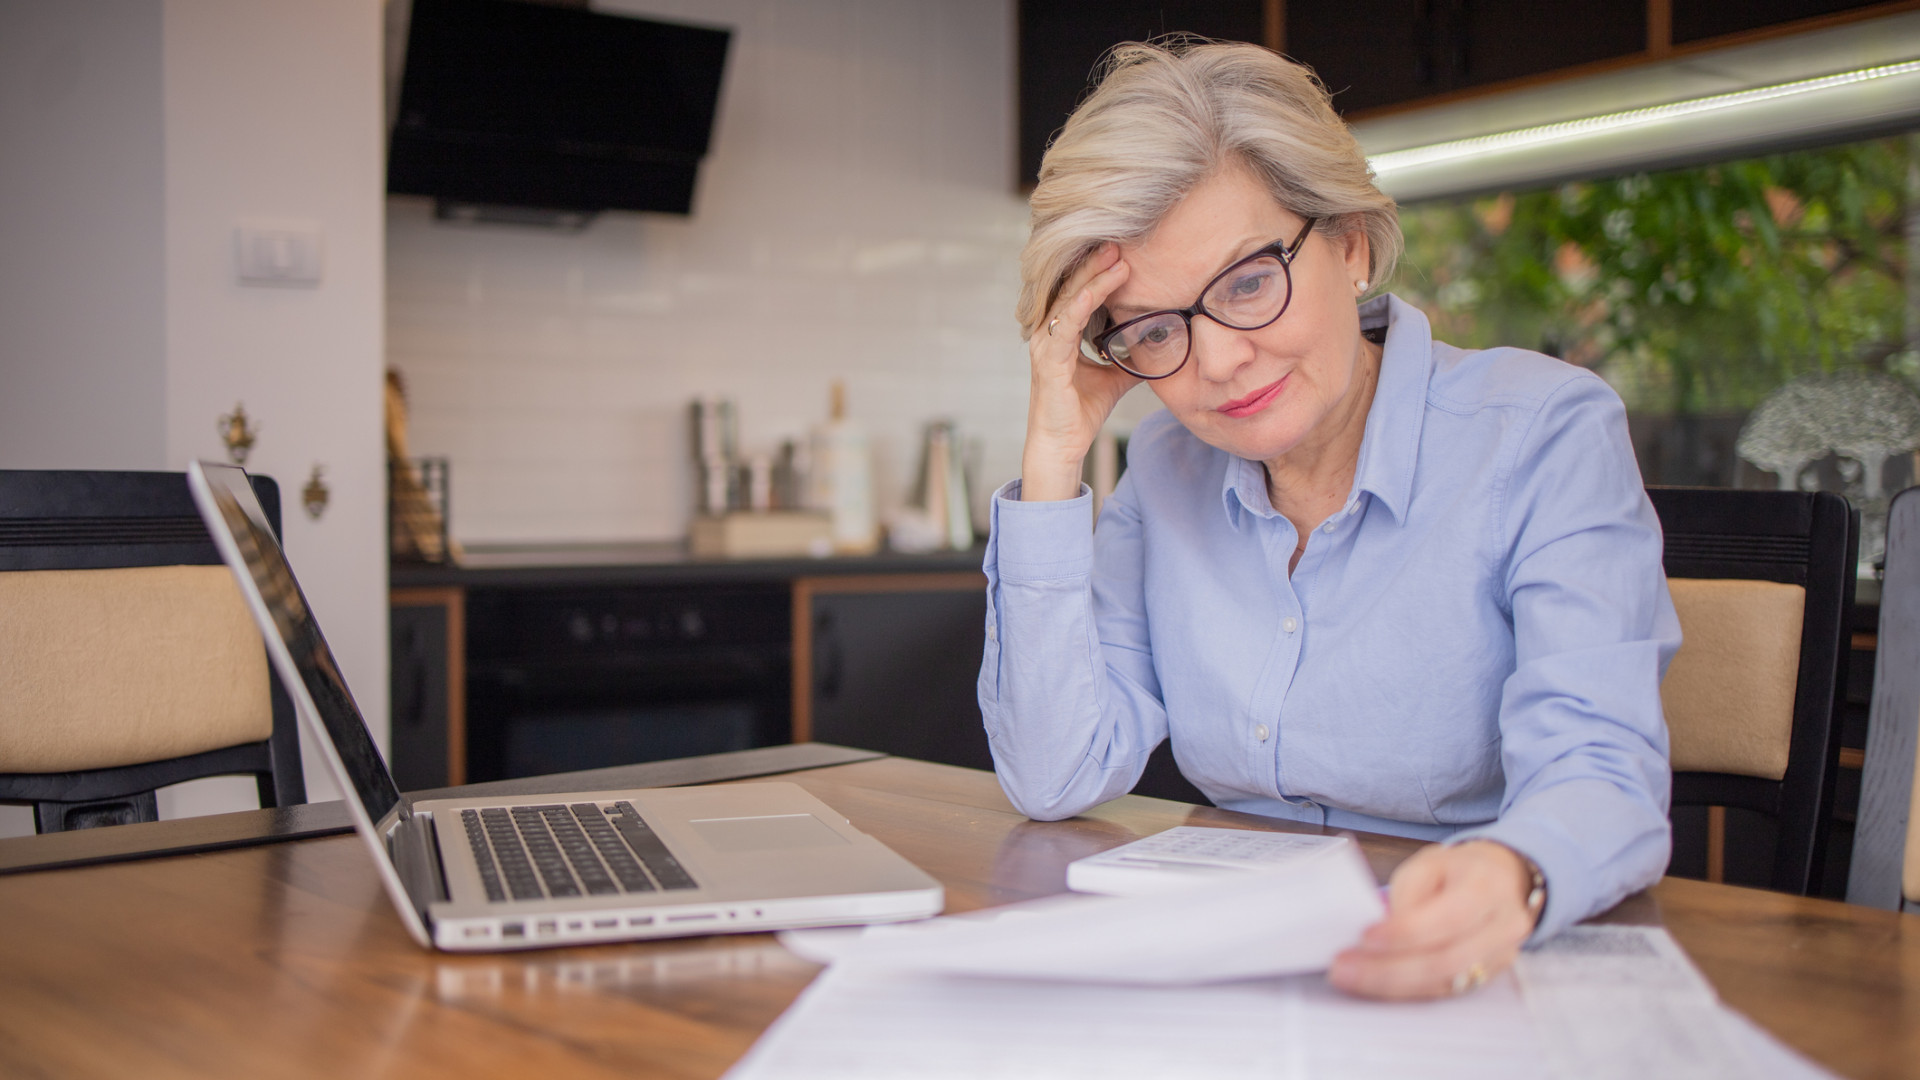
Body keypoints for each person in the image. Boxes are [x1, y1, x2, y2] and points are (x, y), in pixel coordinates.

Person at [979, 39, 1680, 1001]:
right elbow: (1054, 775)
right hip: (1232, 967)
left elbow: (1601, 766)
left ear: (1348, 244)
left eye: (1247, 282)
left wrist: (1511, 873)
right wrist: (1054, 457)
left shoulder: (1542, 434)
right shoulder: (1166, 470)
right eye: (1154, 330)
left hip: (1468, 961)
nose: (1217, 361)